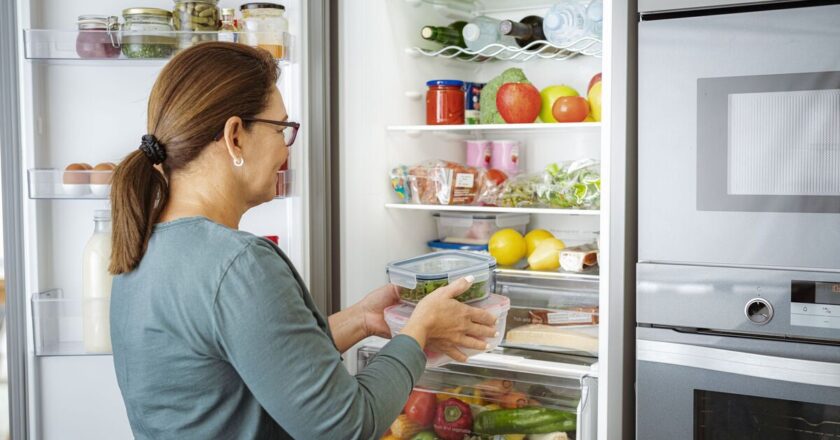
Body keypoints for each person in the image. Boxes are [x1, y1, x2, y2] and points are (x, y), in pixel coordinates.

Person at [107, 42, 498, 440]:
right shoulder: (238, 263)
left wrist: (360, 320)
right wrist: (420, 333)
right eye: (281, 129)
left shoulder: (143, 245)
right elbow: (346, 425)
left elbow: (254, 367)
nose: (285, 148)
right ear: (235, 137)